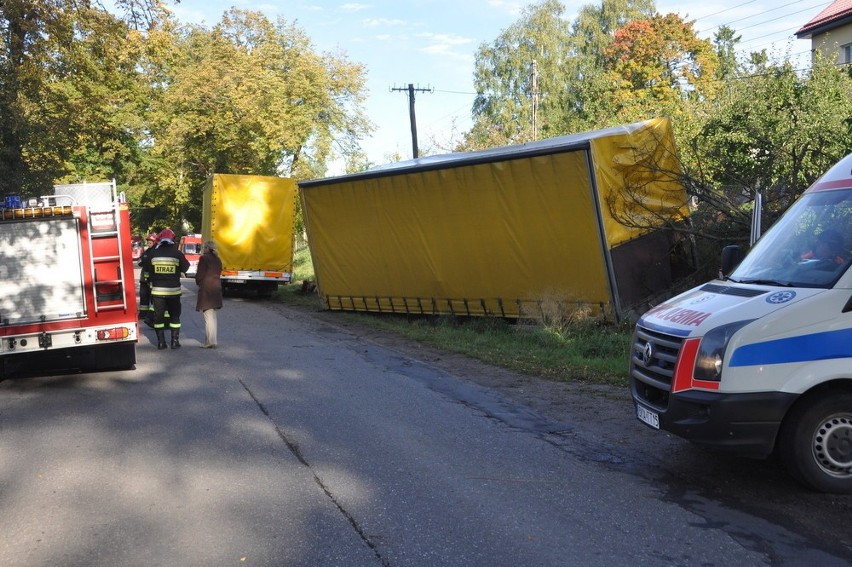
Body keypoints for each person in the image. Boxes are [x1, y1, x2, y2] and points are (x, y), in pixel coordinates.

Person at [141, 228, 190, 350]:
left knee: (159, 317)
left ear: (160, 240)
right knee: (175, 317)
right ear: (172, 240)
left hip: (157, 292)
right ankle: (174, 341)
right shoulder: (177, 254)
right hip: (174, 292)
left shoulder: (153, 254)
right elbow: (186, 268)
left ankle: (161, 342)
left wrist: (149, 280)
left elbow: (146, 269)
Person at [195, 240, 223, 348]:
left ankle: (209, 342)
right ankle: (213, 340)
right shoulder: (217, 259)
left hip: (206, 289)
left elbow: (200, 274)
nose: (203, 249)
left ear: (207, 248)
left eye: (204, 247)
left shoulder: (204, 258)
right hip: (216, 288)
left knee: (208, 316)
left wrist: (199, 282)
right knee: (213, 316)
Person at [137, 233, 159, 325]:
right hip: (144, 280)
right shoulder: (146, 252)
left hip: (153, 280)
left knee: (154, 299)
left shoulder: (157, 252)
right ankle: (143, 314)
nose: (149, 243)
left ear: (155, 242)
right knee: (144, 297)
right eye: (148, 241)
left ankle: (153, 315)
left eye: (150, 242)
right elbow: (139, 262)